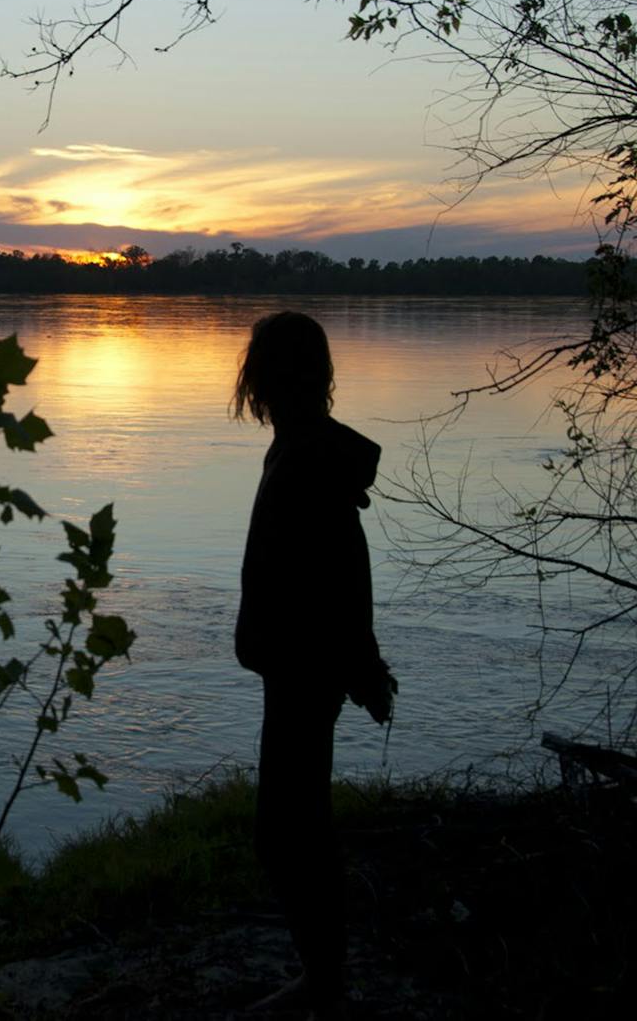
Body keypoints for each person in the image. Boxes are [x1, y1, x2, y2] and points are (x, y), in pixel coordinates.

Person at [232, 311, 396, 1019]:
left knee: (288, 831)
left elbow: (341, 568)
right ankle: (322, 975)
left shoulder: (305, 459)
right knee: (296, 825)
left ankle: (322, 982)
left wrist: (363, 666)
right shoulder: (300, 449)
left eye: (260, 368)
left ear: (265, 377)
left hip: (304, 668)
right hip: (296, 664)